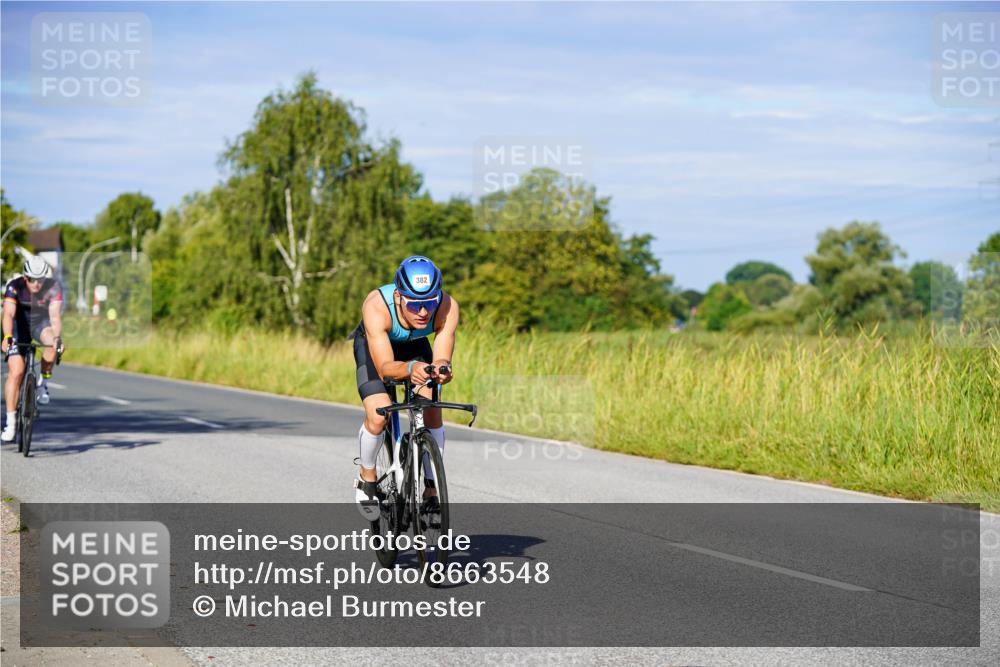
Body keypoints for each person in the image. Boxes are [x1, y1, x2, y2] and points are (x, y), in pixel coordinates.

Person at [351, 256, 459, 519]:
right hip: (377, 350)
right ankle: (367, 478)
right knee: (379, 413)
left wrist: (442, 369)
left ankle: (431, 489)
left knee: (431, 409)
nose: (423, 312)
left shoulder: (447, 305)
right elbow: (385, 367)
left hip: (415, 347)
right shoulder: (376, 305)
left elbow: (442, 356)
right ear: (399, 296)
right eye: (414, 304)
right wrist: (410, 369)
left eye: (429, 302)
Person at [1, 256, 65, 442]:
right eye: (32, 279)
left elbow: (55, 317)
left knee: (52, 343)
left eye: (40, 279)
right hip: (18, 328)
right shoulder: (14, 286)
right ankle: (11, 423)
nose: (36, 284)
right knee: (16, 372)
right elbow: (8, 314)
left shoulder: (53, 287)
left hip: (40, 325)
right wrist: (7, 336)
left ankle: (43, 384)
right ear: (25, 277)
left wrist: (57, 338)